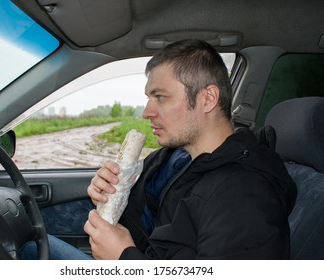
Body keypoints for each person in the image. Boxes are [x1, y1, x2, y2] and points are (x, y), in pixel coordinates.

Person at [20, 39, 297, 260]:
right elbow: (147, 227)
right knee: (32, 248)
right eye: (148, 98)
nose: (146, 112)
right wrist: (111, 195)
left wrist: (125, 258)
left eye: (160, 98)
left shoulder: (244, 194)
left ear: (208, 98)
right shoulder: (175, 158)